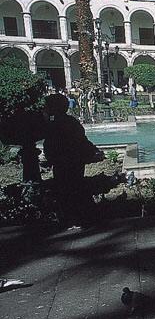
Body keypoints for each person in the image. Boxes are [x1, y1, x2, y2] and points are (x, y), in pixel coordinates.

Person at [43, 93, 100, 229]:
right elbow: (82, 140)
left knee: (67, 190)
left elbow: (52, 145)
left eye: (47, 106)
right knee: (76, 188)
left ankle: (75, 219)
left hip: (65, 162)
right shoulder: (69, 122)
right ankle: (83, 218)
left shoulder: (55, 124)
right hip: (74, 161)